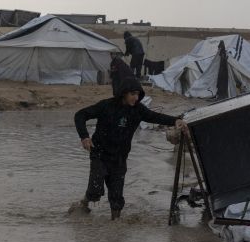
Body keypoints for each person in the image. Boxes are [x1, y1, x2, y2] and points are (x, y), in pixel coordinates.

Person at [74, 77, 187, 219]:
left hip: (120, 158)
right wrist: (84, 137)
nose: (136, 97)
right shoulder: (106, 106)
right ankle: (84, 203)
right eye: (132, 94)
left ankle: (115, 226)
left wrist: (175, 120)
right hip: (100, 154)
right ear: (124, 93)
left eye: (138, 94)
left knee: (117, 196)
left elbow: (155, 116)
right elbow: (80, 115)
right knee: (95, 190)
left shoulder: (138, 110)